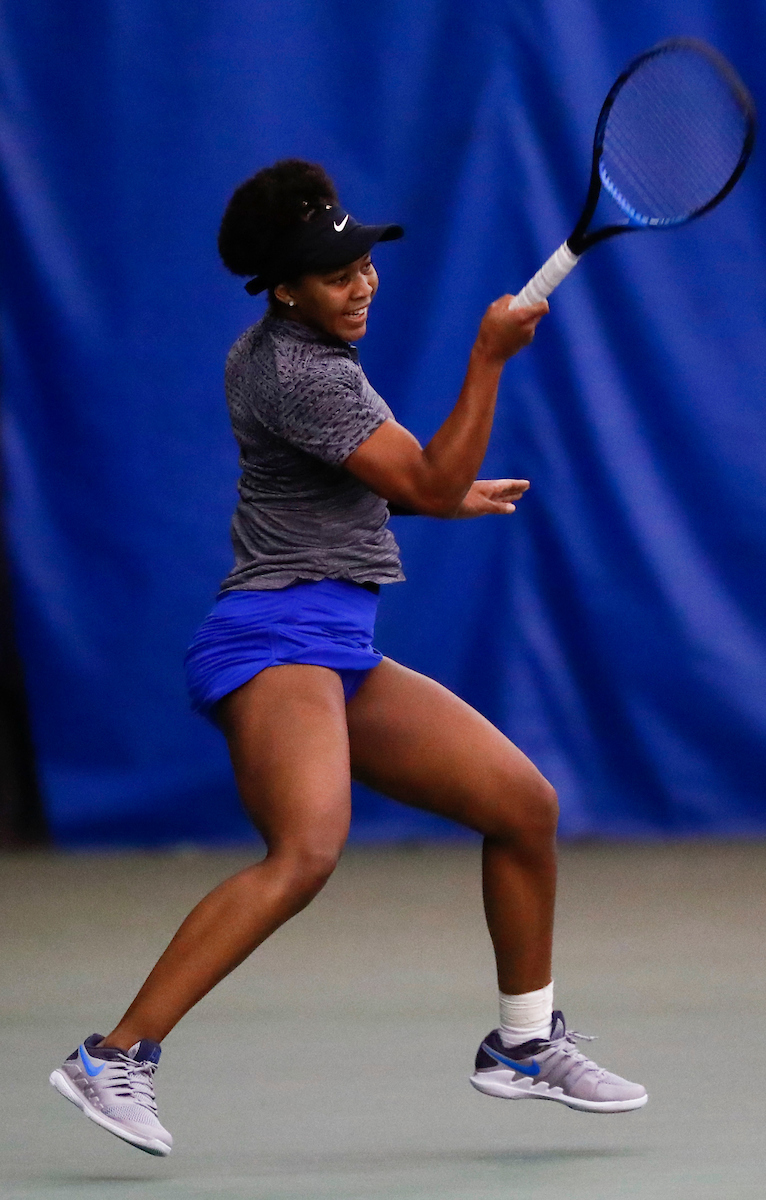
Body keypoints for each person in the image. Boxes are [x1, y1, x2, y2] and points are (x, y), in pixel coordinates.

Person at [49, 159, 647, 1157]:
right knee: (306, 851)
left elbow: (411, 483)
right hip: (275, 638)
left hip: (335, 646)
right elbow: (420, 472)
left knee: (522, 807)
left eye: (362, 259)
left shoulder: (296, 352)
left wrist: (440, 491)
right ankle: (115, 1055)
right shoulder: (296, 370)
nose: (361, 281)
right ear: (285, 288)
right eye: (334, 274)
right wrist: (488, 360)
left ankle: (523, 1044)